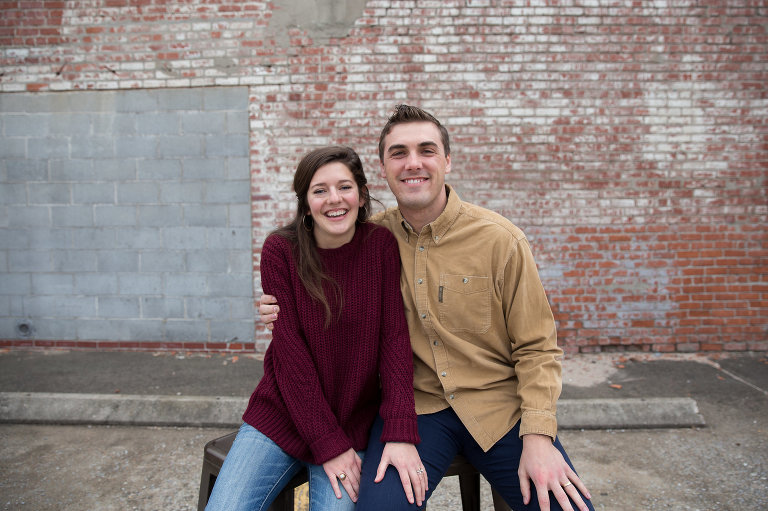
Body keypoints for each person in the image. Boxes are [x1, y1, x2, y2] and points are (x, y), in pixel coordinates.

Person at [259, 106, 595, 511]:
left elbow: (538, 348)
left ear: (447, 161)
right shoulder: (367, 239)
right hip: (416, 411)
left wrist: (538, 438)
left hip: (498, 409)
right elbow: (309, 263)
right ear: (383, 168)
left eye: (427, 150)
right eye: (399, 153)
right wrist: (277, 304)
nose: (413, 163)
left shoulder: (500, 240)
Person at [206, 146, 427, 511]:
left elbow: (394, 342)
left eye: (344, 187)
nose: (334, 199)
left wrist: (400, 428)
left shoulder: (380, 247)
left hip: (351, 424)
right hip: (280, 418)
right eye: (320, 190)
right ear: (306, 204)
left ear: (361, 195)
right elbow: (291, 360)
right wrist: (328, 444)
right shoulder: (280, 250)